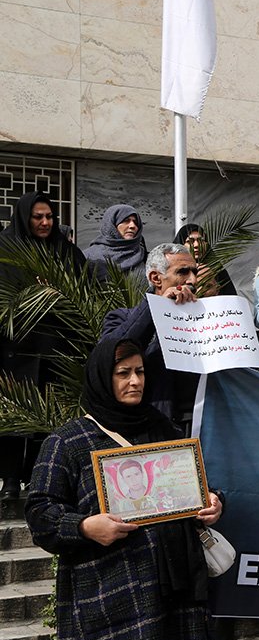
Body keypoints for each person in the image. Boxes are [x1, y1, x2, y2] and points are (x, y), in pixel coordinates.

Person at [25, 337, 226, 640]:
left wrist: (214, 504)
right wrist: (84, 527)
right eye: (123, 374)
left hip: (177, 601)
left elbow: (198, 485)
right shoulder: (68, 443)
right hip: (114, 606)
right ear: (103, 377)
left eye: (140, 372)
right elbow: (40, 513)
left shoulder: (163, 428)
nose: (135, 381)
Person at [0, 191, 87, 507]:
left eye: (49, 217)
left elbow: (84, 298)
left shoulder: (67, 253)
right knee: (13, 417)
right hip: (15, 351)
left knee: (48, 420)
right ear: (25, 217)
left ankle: (39, 480)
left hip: (57, 352)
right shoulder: (6, 251)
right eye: (38, 217)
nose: (45, 222)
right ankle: (9, 480)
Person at [100, 243, 201, 429]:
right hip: (150, 426)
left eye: (195, 272)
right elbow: (109, 354)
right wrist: (156, 308)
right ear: (156, 278)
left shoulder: (206, 320)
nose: (192, 280)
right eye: (183, 272)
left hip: (200, 425)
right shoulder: (122, 317)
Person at [85, 204, 147, 280]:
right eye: (126, 221)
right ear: (112, 225)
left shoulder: (143, 256)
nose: (132, 226)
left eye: (135, 222)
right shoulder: (90, 257)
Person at [175, 223, 235, 297]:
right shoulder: (170, 270)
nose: (197, 245)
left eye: (201, 241)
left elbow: (230, 298)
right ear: (181, 245)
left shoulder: (217, 270)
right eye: (190, 241)